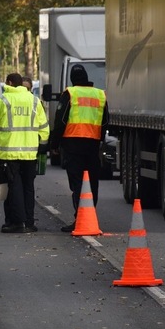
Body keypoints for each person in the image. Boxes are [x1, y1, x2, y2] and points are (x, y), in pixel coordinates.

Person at [0, 73, 50, 233]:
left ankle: (17, 222)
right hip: (30, 153)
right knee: (28, 187)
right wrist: (42, 146)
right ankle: (29, 222)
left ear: (8, 82)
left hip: (9, 153)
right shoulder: (34, 100)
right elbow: (44, 127)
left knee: (14, 187)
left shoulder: (3, 100)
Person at [49, 65, 108, 232]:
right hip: (92, 145)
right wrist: (99, 139)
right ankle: (90, 216)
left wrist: (54, 144)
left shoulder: (70, 94)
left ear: (73, 80)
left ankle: (80, 219)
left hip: (73, 145)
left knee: (77, 183)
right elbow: (105, 121)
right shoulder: (100, 95)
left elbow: (60, 121)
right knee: (92, 182)